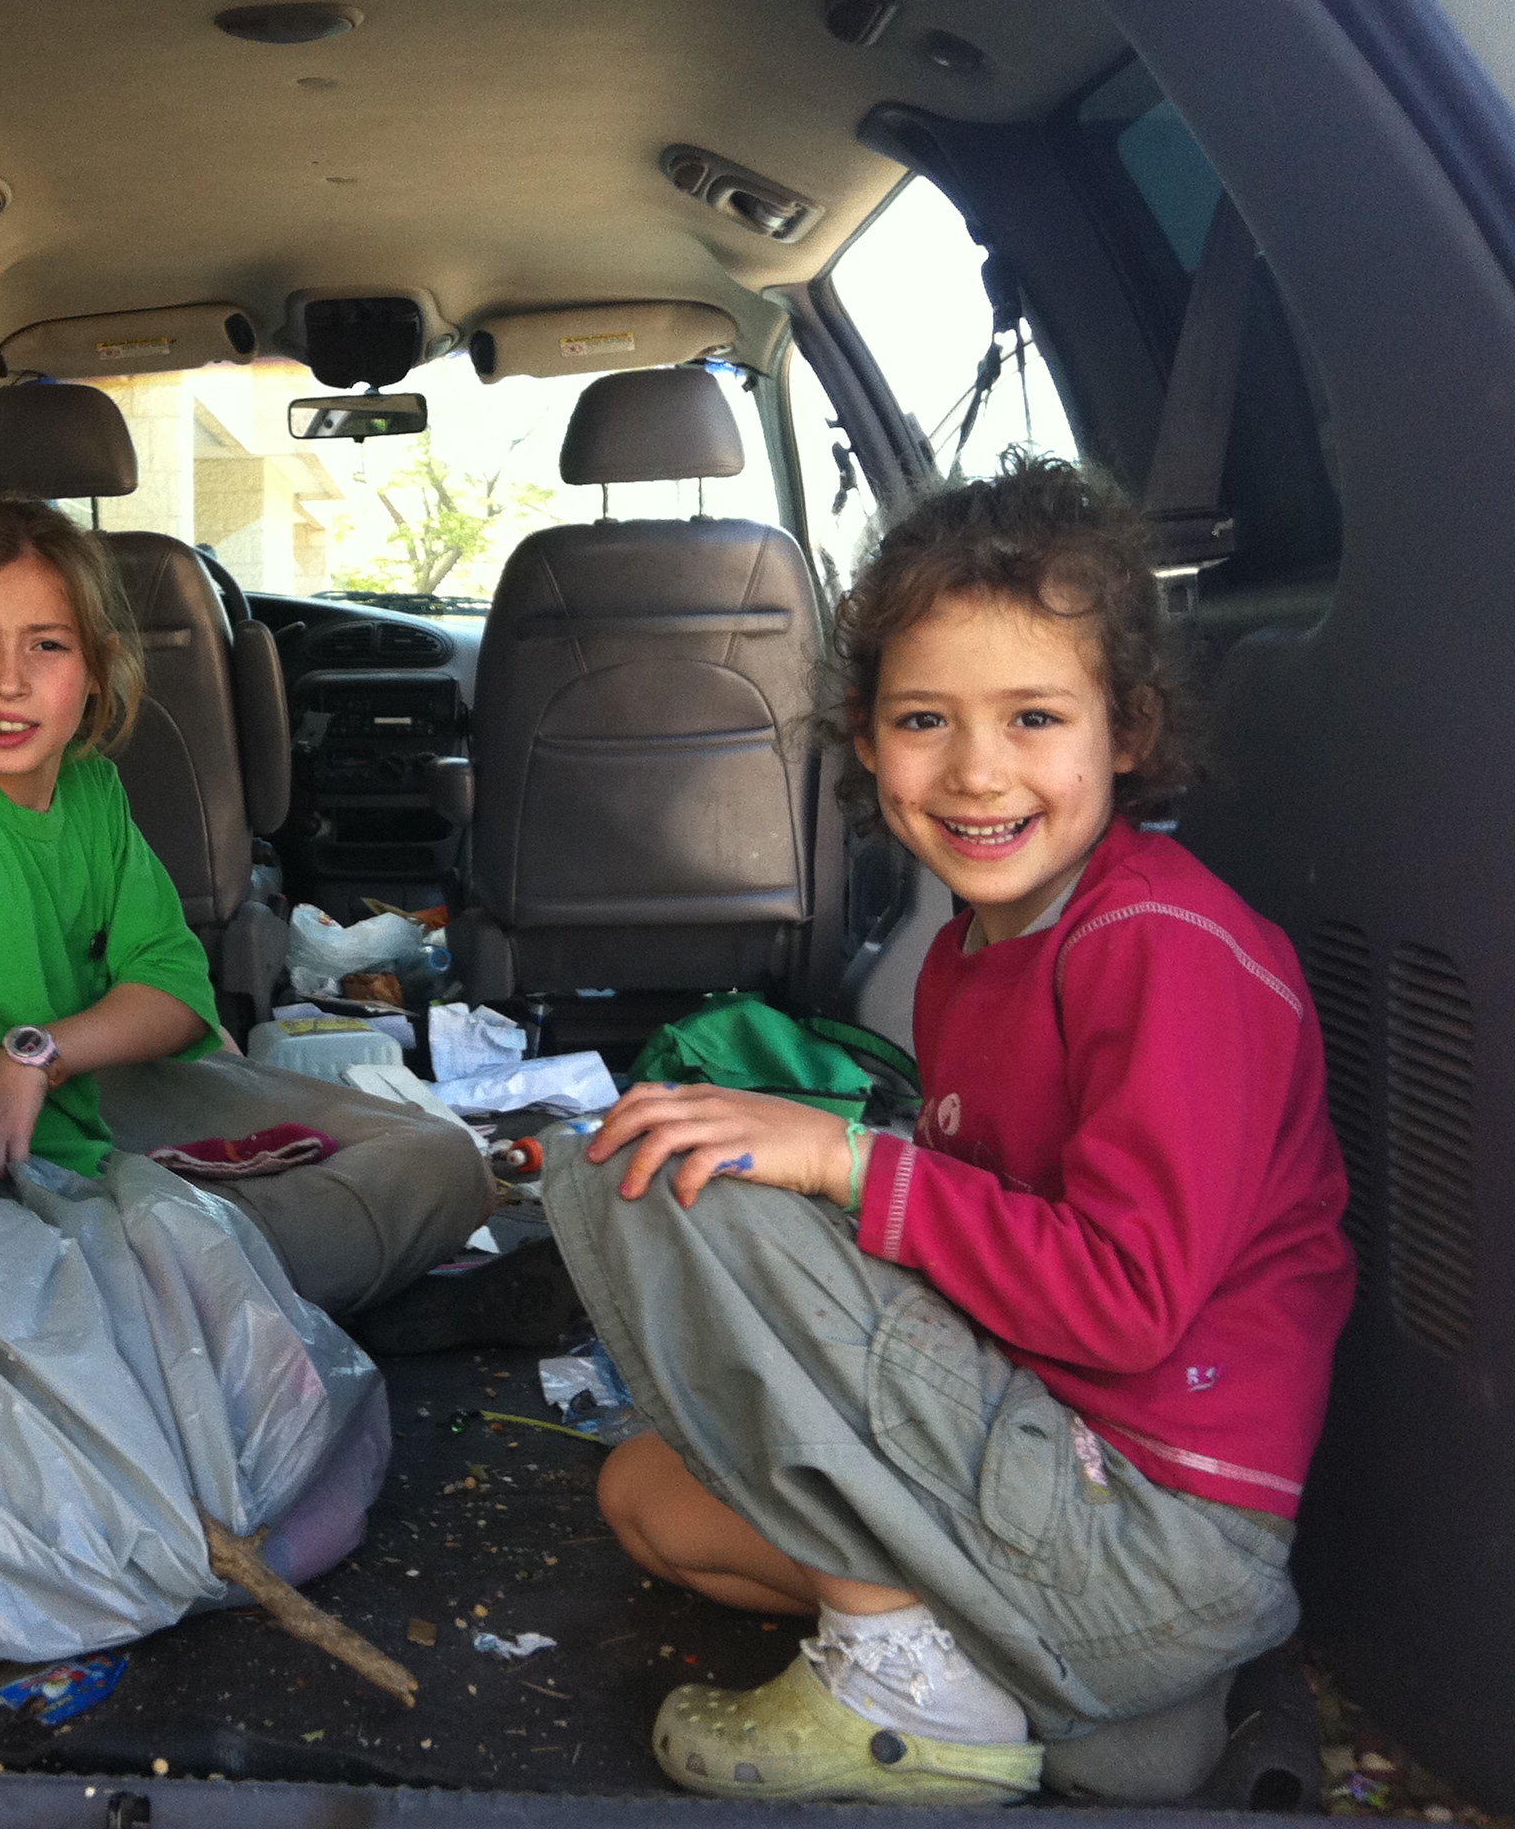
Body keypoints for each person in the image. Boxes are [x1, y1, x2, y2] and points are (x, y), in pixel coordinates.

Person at [558, 455, 1355, 1805]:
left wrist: (843, 1163)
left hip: (1150, 1526)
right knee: (646, 1494)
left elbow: (1123, 1302)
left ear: (1127, 730)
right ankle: (1062, 1696)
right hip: (1061, 1480)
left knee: (639, 1168)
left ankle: (908, 1691)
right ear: (867, 741)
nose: (978, 770)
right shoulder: (972, 950)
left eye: (1034, 716)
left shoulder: (1165, 949)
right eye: (925, 719)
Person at [0, 492, 489, 1314]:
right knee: (144, 1275)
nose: (8, 681)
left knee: (445, 1159)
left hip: (89, 1098)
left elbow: (172, 987)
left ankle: (208, 1297)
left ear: (97, 665)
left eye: (47, 645)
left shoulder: (93, 792)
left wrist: (34, 1057)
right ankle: (216, 1298)